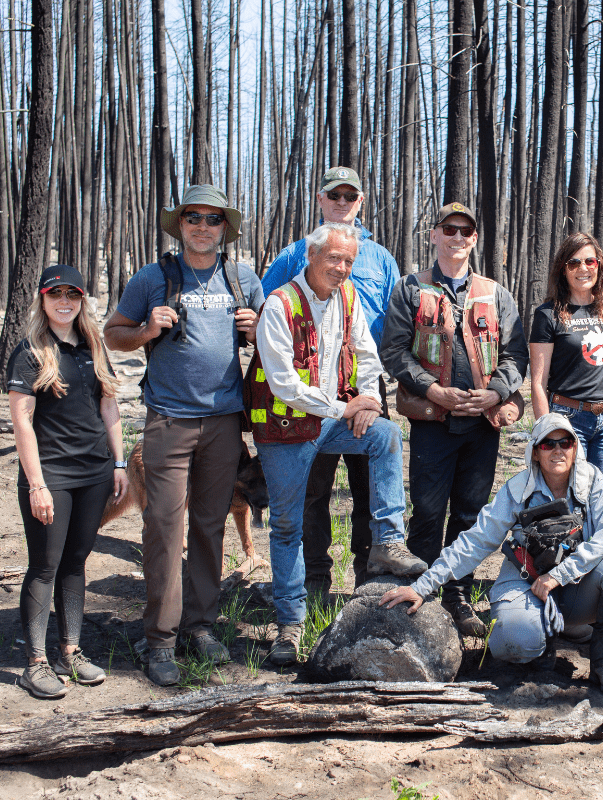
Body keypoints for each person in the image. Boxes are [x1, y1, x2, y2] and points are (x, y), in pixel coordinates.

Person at [104, 185, 265, 686]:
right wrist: (146, 330)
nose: (202, 226)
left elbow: (272, 341)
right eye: (192, 217)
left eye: (212, 219)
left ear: (225, 228)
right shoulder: (154, 278)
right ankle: (160, 639)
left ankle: (200, 625)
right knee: (163, 529)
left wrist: (258, 328)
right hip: (168, 420)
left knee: (210, 526)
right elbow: (113, 333)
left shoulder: (242, 279)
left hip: (224, 423)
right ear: (180, 225)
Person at [252, 222, 427, 666]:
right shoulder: (280, 304)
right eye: (333, 258)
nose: (342, 268)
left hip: (328, 419)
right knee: (287, 526)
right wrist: (341, 409)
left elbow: (365, 353)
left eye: (348, 261)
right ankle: (290, 624)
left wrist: (367, 399)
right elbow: (284, 384)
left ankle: (388, 539)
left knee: (384, 433)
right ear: (311, 257)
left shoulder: (347, 298)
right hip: (284, 427)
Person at [379, 414, 603, 694]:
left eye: (565, 443)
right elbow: (475, 541)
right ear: (534, 452)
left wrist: (558, 575)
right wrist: (423, 586)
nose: (557, 450)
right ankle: (541, 651)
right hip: (527, 581)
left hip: (577, 586)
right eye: (547, 444)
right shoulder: (517, 490)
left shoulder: (592, 481)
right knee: (511, 641)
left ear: (575, 448)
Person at [380, 202, 528, 638]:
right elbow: (394, 351)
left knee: (469, 514)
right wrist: (433, 390)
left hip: (482, 425)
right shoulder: (412, 289)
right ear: (433, 235)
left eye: (466, 230)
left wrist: (496, 392)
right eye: (449, 229)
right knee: (426, 512)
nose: (457, 237)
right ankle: (417, 594)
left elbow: (515, 352)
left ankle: (457, 595)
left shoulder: (495, 292)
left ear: (475, 238)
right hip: (432, 421)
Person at [262, 166, 400, 592]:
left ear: (361, 202)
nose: (342, 203)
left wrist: (371, 397)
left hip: (367, 392)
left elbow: (394, 327)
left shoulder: (380, 259)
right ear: (320, 200)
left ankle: (369, 579)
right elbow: (265, 309)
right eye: (334, 196)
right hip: (308, 398)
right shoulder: (293, 254)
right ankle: (315, 583)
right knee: (312, 494)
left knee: (371, 488)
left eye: (350, 197)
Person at [7, 266, 128, 699]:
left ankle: (70, 651)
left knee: (76, 561)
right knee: (45, 564)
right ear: (42, 300)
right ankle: (35, 663)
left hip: (95, 472)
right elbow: (21, 423)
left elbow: (109, 409)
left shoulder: (93, 347)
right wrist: (36, 484)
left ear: (81, 301)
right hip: (51, 474)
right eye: (55, 294)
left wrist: (119, 463)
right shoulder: (30, 352)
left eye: (72, 295)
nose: (64, 302)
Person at [529, 231, 603, 486]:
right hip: (568, 420)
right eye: (573, 263)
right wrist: (548, 432)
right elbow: (538, 383)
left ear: (599, 265)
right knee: (571, 497)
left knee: (600, 498)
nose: (583, 268)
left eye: (590, 261)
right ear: (563, 269)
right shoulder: (548, 315)